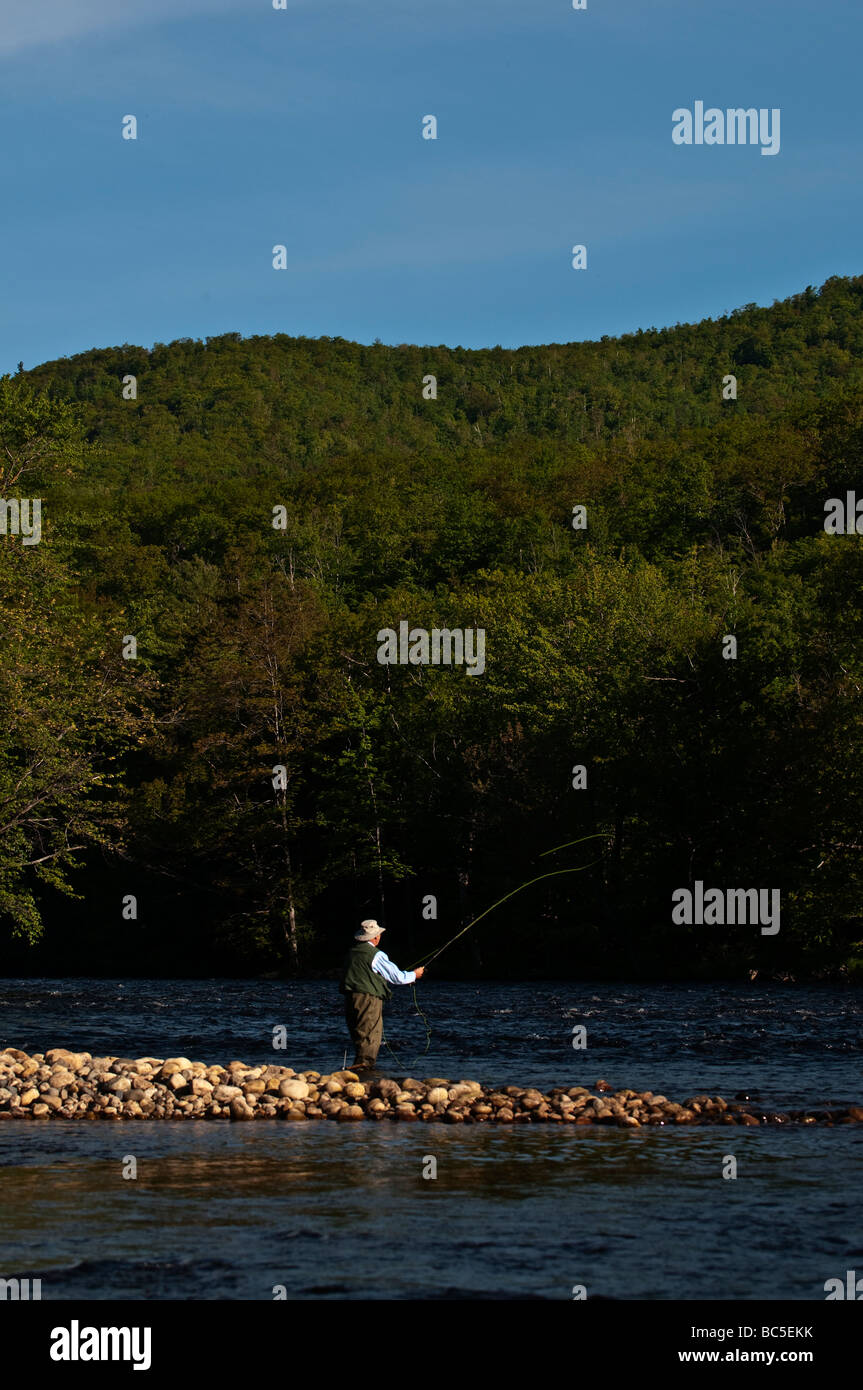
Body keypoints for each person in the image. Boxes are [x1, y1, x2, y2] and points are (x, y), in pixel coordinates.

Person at [339, 919, 425, 1072]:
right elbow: (397, 977)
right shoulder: (376, 955)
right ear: (375, 937)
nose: (379, 937)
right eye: (378, 934)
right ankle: (365, 1068)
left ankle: (359, 1068)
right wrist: (414, 975)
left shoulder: (351, 953)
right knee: (371, 1031)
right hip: (368, 998)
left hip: (350, 997)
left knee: (358, 1031)